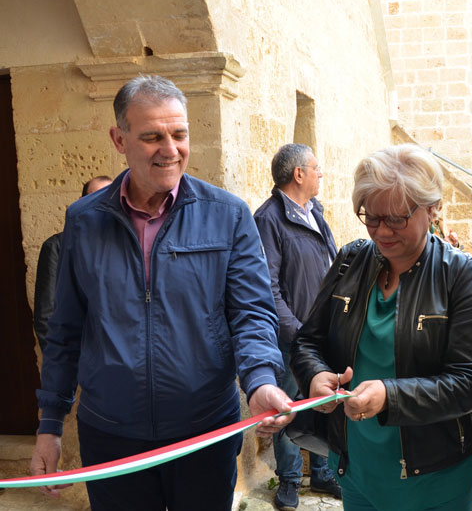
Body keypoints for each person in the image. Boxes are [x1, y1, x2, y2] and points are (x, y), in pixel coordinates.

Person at [31, 75, 293, 511]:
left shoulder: (228, 215)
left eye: (179, 134)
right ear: (119, 138)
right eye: (152, 136)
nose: (170, 149)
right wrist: (49, 424)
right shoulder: (84, 220)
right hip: (111, 434)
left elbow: (251, 313)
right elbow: (66, 329)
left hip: (205, 431)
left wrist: (260, 381)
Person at [291, 144, 472, 510]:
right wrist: (316, 375)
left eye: (397, 218)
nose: (381, 231)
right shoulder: (350, 260)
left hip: (435, 472)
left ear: (432, 209)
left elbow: (470, 381)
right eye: (371, 217)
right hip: (358, 464)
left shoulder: (461, 274)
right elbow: (308, 340)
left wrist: (390, 396)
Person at [253, 143, 341, 509]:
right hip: (294, 336)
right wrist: (297, 331)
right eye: (316, 167)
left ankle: (321, 473)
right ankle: (289, 479)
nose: (321, 173)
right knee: (289, 406)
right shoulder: (269, 218)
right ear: (298, 174)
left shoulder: (314, 210)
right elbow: (267, 286)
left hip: (323, 331)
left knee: (322, 402)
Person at [33, 175, 112, 352]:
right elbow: (45, 317)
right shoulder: (57, 248)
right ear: (82, 203)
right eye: (95, 197)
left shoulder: (130, 245)